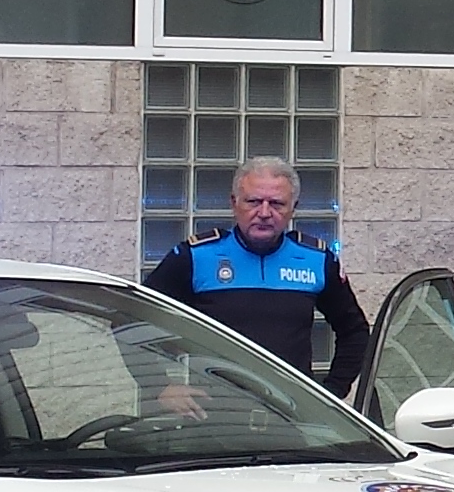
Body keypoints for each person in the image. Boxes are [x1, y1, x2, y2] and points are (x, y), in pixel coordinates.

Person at [148, 155, 372, 388]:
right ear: (234, 203)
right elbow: (133, 317)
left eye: (276, 204)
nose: (264, 213)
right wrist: (162, 388)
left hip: (290, 413)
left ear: (293, 208)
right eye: (253, 202)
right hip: (216, 412)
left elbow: (355, 332)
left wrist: (332, 394)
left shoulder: (316, 260)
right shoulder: (195, 257)